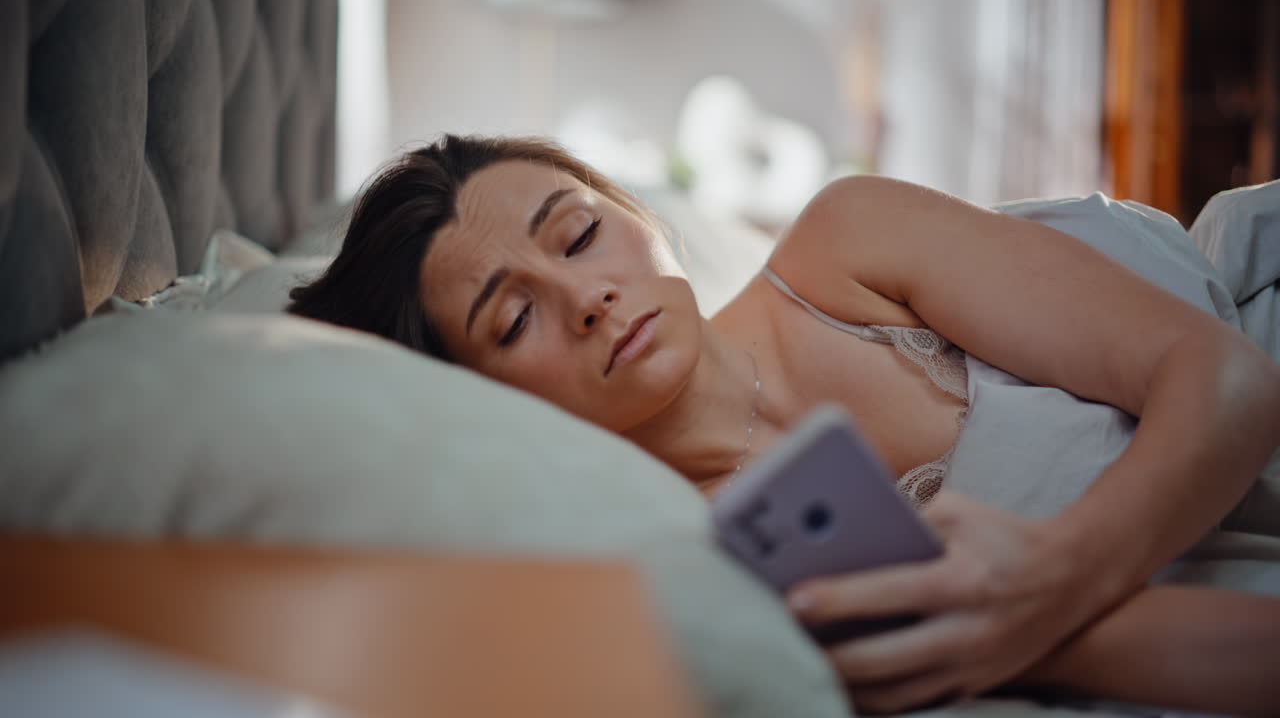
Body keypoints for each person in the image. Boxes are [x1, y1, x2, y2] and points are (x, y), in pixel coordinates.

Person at [289, 134, 1280, 715]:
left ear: (640, 218)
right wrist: (1024, 617)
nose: (584, 295)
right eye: (511, 319)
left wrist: (1056, 571)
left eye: (581, 232)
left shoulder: (844, 242)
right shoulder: (716, 565)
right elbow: (1220, 646)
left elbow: (1218, 377)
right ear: (487, 403)